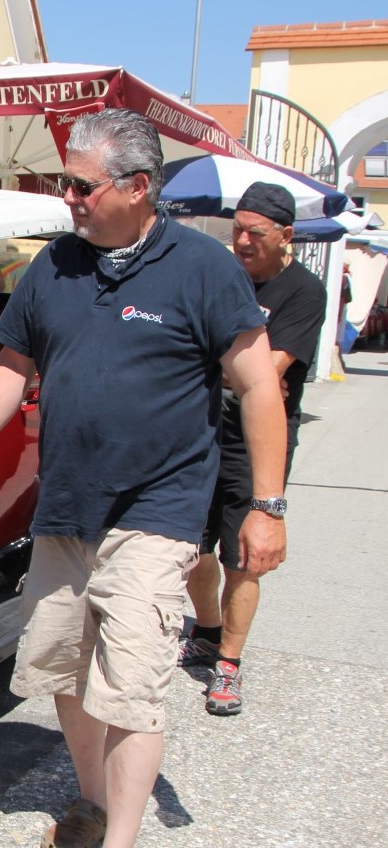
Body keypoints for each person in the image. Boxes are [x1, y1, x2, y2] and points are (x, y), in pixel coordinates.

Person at [0, 109, 289, 848]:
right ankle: (94, 801)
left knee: (131, 685)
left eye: (80, 184)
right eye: (63, 182)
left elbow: (257, 387)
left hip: (159, 510)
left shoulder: (203, 268)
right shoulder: (55, 265)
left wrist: (267, 506)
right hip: (66, 508)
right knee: (65, 667)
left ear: (138, 188)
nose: (65, 198)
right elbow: (13, 365)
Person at [178, 182, 325, 715]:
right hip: (202, 435)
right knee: (193, 548)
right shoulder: (226, 277)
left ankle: (228, 666)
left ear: (285, 235)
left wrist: (226, 370)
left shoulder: (303, 291)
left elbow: (266, 374)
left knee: (244, 560)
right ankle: (208, 633)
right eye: (235, 229)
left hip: (253, 448)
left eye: (254, 233)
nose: (240, 241)